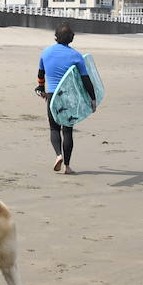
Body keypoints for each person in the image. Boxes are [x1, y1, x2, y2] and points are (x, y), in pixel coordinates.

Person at [36, 22, 97, 174]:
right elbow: (85, 79)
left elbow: (40, 75)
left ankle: (58, 155)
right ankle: (67, 166)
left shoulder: (46, 52)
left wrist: (41, 89)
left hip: (52, 96)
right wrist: (93, 98)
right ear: (71, 39)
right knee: (67, 130)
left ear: (56, 36)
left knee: (54, 128)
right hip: (69, 97)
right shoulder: (76, 56)